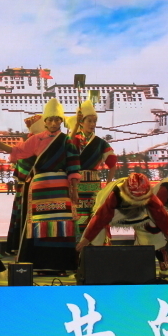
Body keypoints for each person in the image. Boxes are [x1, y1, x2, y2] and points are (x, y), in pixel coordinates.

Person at [0, 98, 80, 275]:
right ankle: (40, 264)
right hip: (40, 188)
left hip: (60, 188)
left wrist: (74, 189)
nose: (53, 123)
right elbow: (17, 151)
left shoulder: (67, 141)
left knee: (61, 225)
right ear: (45, 121)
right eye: (50, 120)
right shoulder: (36, 139)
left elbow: (73, 166)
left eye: (57, 120)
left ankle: (61, 265)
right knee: (40, 226)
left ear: (61, 121)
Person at [77, 173, 168, 276]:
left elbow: (161, 215)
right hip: (117, 212)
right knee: (97, 234)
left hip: (140, 213)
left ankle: (164, 265)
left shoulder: (150, 196)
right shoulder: (114, 195)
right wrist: (86, 239)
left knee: (153, 229)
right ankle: (90, 267)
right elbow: (100, 219)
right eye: (134, 198)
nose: (136, 201)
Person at [68, 100, 117, 246]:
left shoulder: (100, 143)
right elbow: (66, 149)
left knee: (95, 215)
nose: (92, 124)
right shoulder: (73, 140)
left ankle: (96, 246)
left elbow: (112, 163)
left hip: (94, 187)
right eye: (89, 120)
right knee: (77, 216)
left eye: (94, 121)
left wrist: (108, 185)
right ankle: (76, 248)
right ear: (81, 122)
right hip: (75, 185)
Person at [4, 115, 45, 255]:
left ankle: (23, 247)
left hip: (33, 186)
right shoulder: (31, 143)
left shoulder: (37, 143)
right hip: (29, 187)